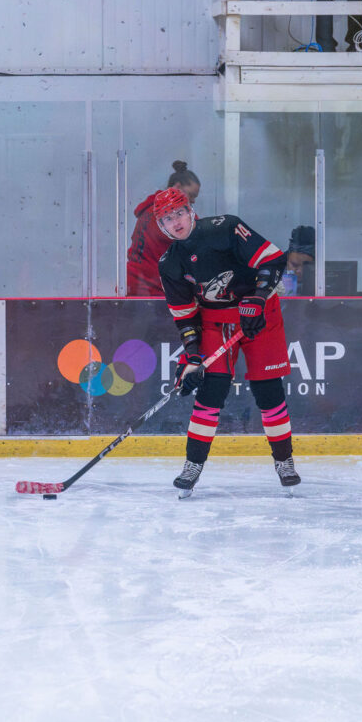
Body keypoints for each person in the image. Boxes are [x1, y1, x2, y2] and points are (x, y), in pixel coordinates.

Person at [155, 188, 301, 495]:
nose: (176, 222)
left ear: (190, 210)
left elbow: (274, 260)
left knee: (268, 389)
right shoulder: (170, 264)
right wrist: (193, 356)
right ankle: (192, 465)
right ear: (161, 226)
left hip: (260, 313)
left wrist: (259, 298)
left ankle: (284, 461)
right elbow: (185, 316)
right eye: (167, 218)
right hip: (215, 321)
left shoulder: (225, 228)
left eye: (179, 212)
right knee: (211, 390)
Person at [126, 161, 200, 296]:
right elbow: (200, 236)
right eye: (192, 195)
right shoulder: (166, 214)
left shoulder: (148, 210)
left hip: (133, 285)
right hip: (153, 291)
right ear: (177, 187)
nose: (193, 201)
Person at [284, 224, 315, 295]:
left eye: (306, 266)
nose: (299, 271)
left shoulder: (320, 283)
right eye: (295, 265)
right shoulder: (275, 279)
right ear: (287, 259)